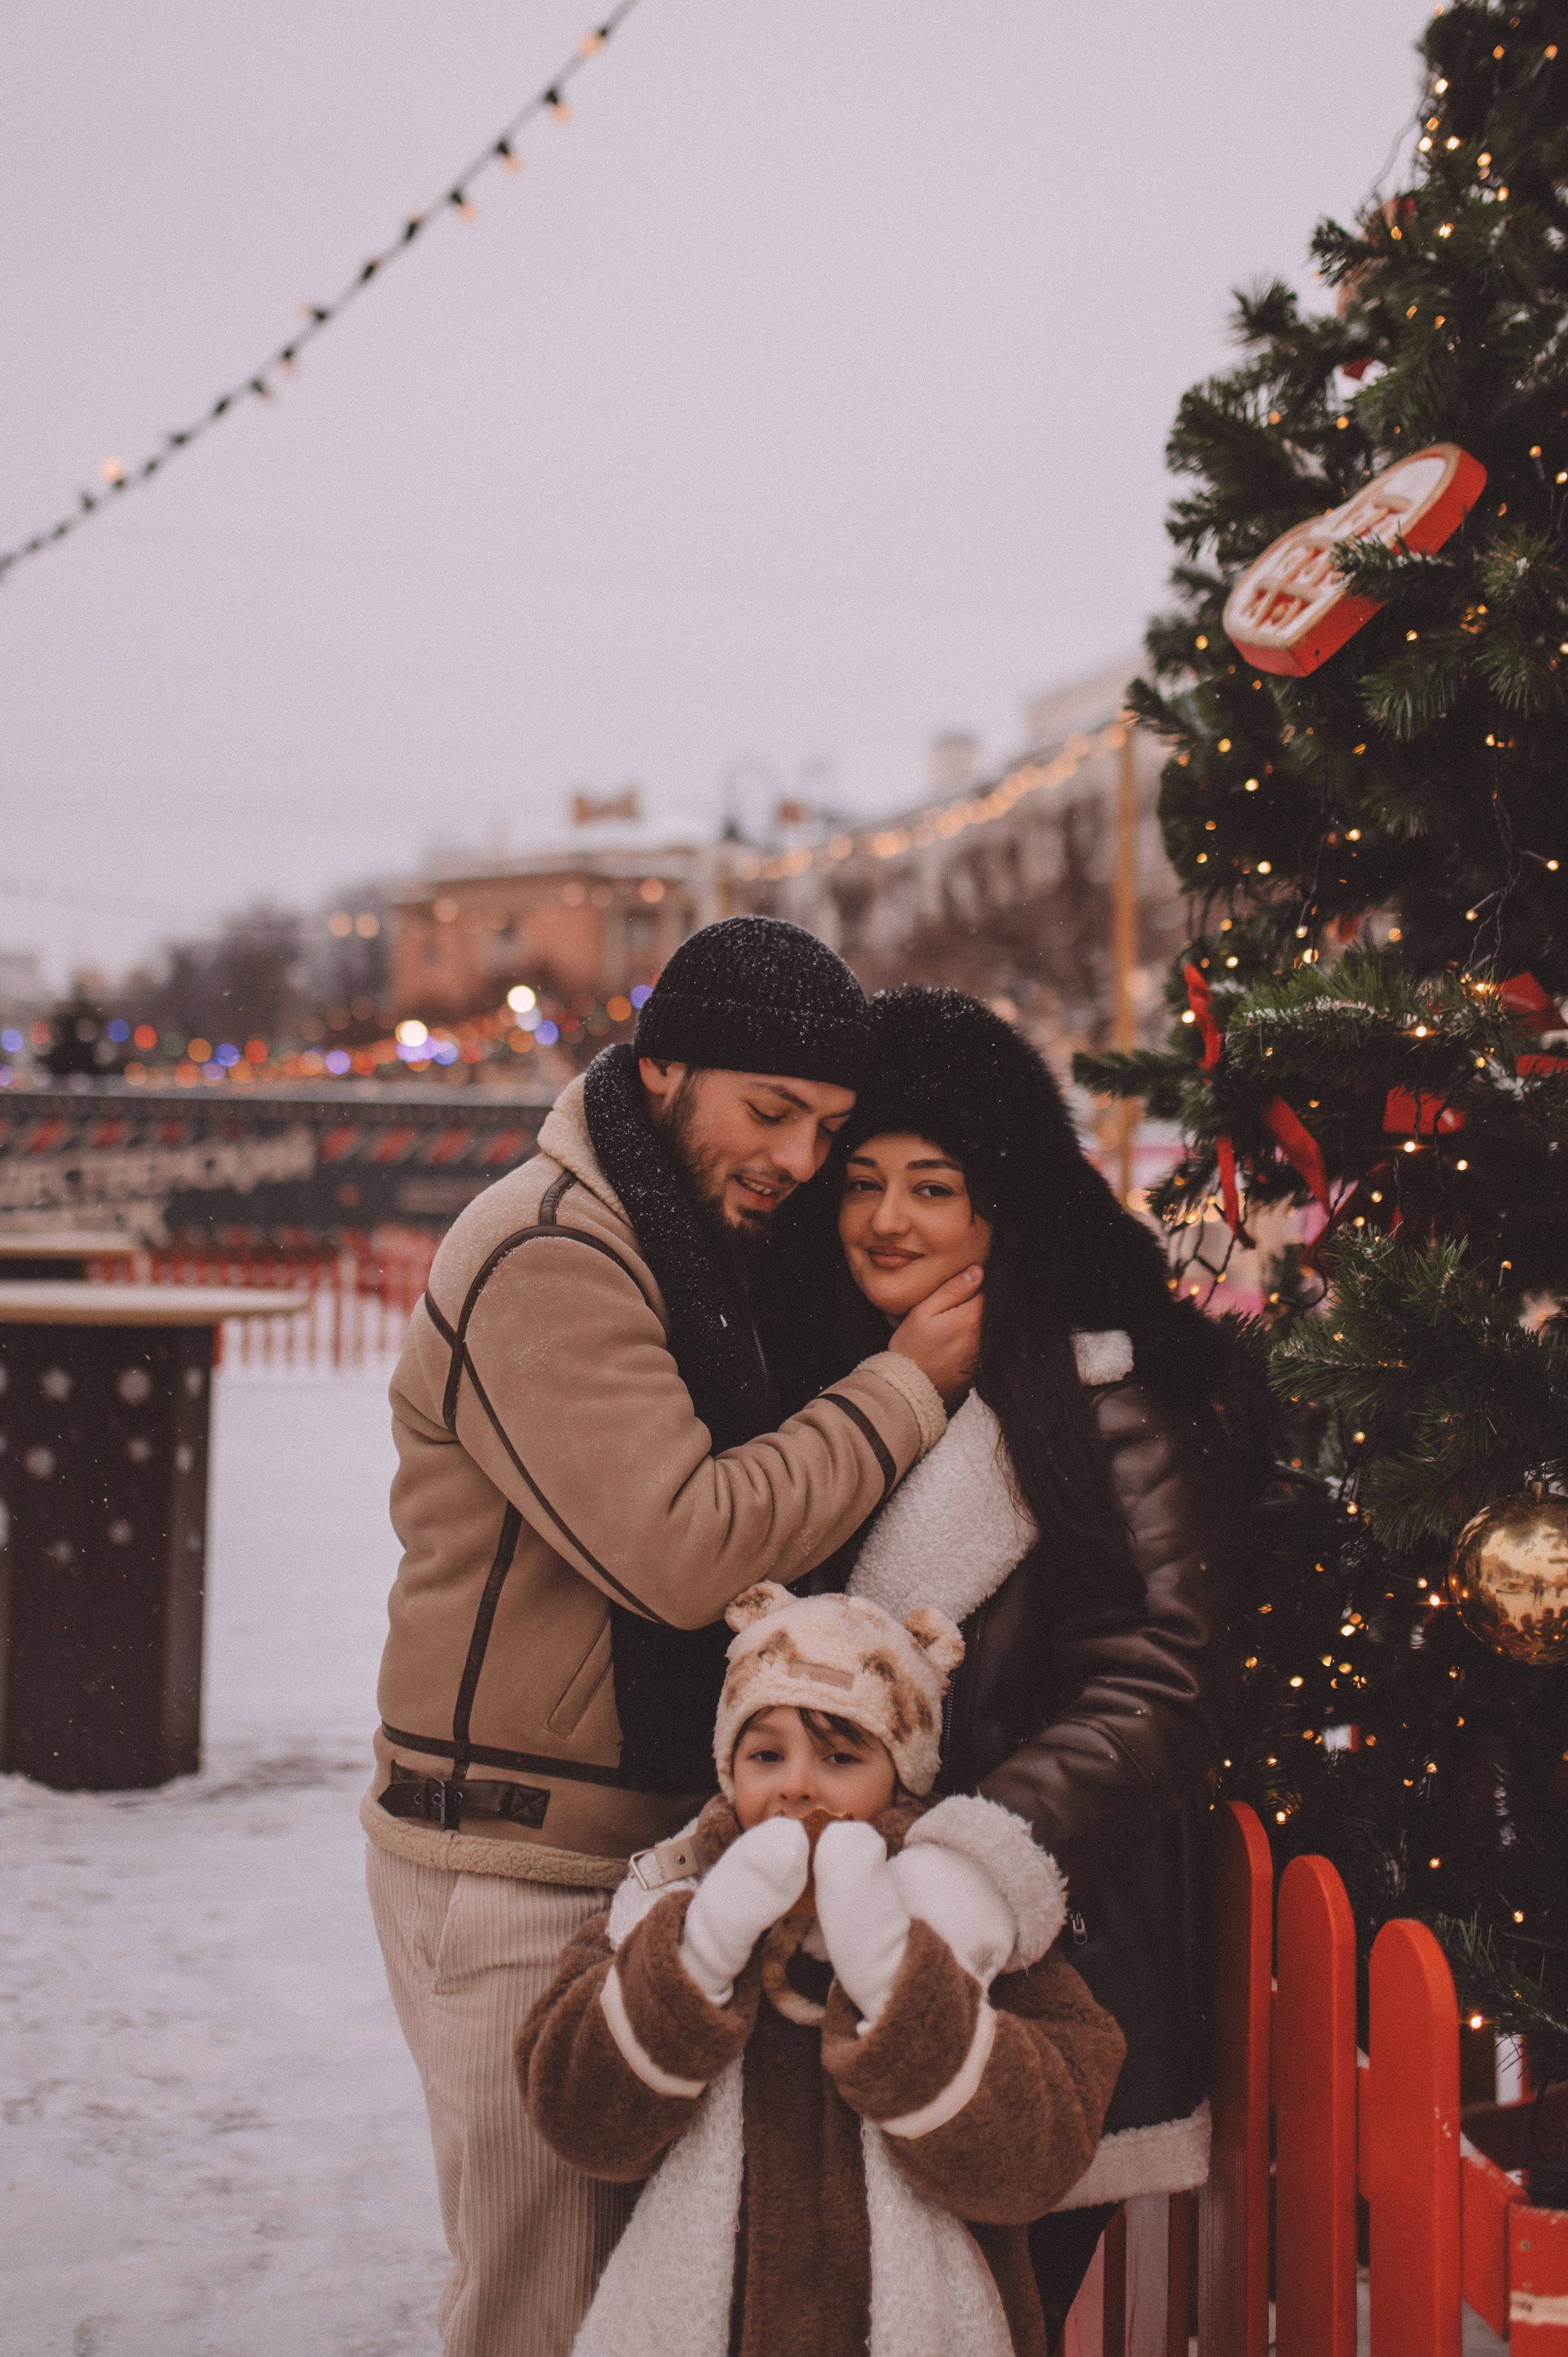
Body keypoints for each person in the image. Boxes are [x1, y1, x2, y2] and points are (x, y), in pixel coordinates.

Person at [363, 919, 984, 2357]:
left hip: (636, 1848)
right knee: (545, 2310)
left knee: (650, 2313)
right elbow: (682, 1547)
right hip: (517, 1864)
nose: (796, 1154)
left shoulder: (691, 1245)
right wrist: (899, 1393)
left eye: (825, 1124)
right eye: (768, 1109)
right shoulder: (548, 1251)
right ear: (662, 1070)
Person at [754, 985, 1240, 2339]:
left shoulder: (1102, 1393)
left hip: (1034, 1952)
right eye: (861, 1184)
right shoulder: (835, 1382)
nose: (887, 1220)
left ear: (1000, 1203)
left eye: (932, 1184)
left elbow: (1158, 1673)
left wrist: (971, 1860)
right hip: (836, 1952)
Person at [518, 1583, 1126, 2357]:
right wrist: (696, 1955)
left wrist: (899, 1985)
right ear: (728, 1769)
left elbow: (1035, 2158)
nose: (797, 1784)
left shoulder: (965, 1927)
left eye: (840, 1755)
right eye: (766, 1754)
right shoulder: (658, 1907)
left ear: (902, 1776)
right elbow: (581, 2116)